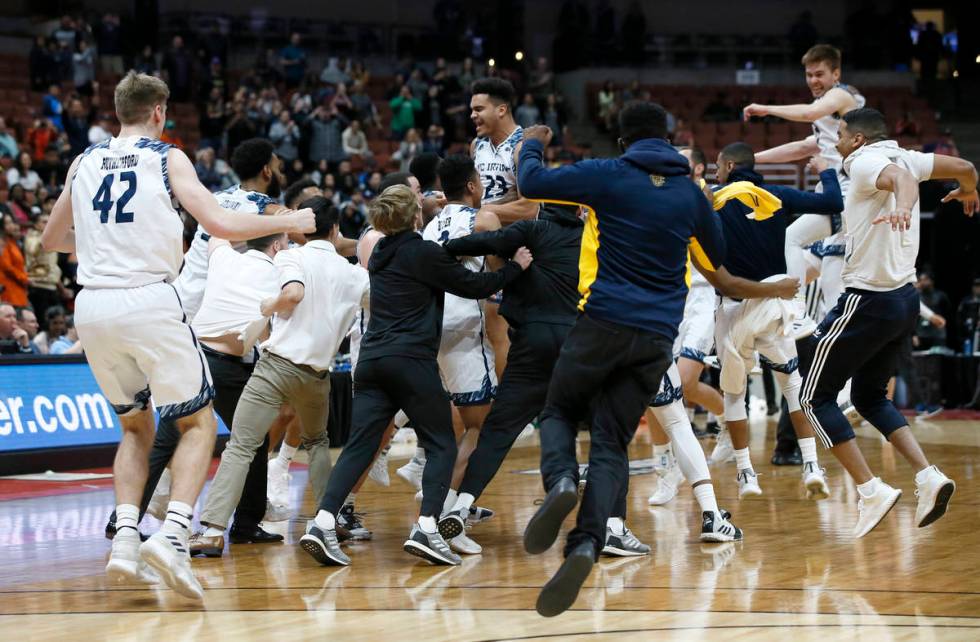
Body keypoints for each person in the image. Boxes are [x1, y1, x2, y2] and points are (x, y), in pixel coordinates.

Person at [40, 71, 314, 599]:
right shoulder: (166, 157)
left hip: (92, 304)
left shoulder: (82, 161)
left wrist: (102, 243)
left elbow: (53, 238)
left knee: (135, 429)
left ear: (119, 111)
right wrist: (295, 216)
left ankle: (125, 541)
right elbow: (222, 223)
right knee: (197, 424)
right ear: (159, 112)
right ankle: (173, 535)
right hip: (147, 297)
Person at [516, 103, 726, 617]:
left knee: (560, 411)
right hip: (657, 337)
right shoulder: (689, 193)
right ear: (667, 136)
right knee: (610, 438)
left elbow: (531, 182)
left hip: (604, 320)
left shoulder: (608, 174)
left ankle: (562, 480)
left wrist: (532, 141)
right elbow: (717, 255)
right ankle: (587, 540)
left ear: (623, 139)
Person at [299, 185, 531, 568]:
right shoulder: (423, 252)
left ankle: (322, 522)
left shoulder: (381, 253)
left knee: (359, 446)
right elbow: (474, 285)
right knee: (441, 442)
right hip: (410, 360)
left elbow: (435, 262)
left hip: (372, 361)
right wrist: (514, 267)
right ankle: (427, 527)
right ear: (416, 217)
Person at [799, 107, 976, 538]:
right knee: (869, 397)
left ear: (857, 139)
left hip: (869, 300)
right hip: (904, 301)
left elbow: (900, 183)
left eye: (840, 134)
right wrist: (969, 191)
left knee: (811, 398)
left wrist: (903, 204)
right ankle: (927, 476)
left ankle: (870, 490)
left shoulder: (861, 163)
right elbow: (967, 167)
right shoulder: (907, 156)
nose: (837, 142)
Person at [192, 197, 364, 553]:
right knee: (317, 444)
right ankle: (326, 522)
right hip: (318, 374)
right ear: (335, 230)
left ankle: (210, 532)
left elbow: (293, 293)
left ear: (300, 230)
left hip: (275, 367)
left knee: (241, 446)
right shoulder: (354, 274)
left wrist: (268, 306)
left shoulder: (289, 257)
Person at [437, 201, 583, 552]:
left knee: (498, 432)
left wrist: (448, 248)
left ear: (545, 207)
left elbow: (481, 242)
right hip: (576, 343)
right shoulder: (588, 238)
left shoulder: (531, 231)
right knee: (577, 425)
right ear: (579, 211)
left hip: (531, 342)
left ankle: (460, 507)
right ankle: (602, 517)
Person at [706, 142, 839, 500]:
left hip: (734, 306)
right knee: (792, 387)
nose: (715, 172)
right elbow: (833, 204)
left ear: (730, 166)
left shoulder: (713, 200)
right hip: (773, 302)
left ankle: (746, 473)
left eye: (717, 166)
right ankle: (812, 464)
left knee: (734, 395)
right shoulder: (775, 194)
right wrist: (826, 170)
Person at [744, 44, 865, 337]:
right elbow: (803, 147)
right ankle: (775, 323)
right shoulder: (831, 117)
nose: (813, 80)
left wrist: (765, 109)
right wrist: (752, 159)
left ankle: (796, 313)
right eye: (809, 75)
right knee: (810, 271)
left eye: (819, 74)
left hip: (848, 192)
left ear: (836, 73)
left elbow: (810, 113)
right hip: (833, 194)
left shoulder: (842, 95)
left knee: (791, 239)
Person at [419, 155, 502, 555]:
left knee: (454, 428)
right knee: (481, 428)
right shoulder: (482, 220)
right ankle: (443, 519)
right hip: (466, 330)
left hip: (431, 331)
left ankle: (437, 510)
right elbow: (500, 269)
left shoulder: (430, 226)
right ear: (471, 186)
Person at [469, 77, 539, 384]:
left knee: (498, 326)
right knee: (477, 327)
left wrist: (484, 210)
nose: (472, 115)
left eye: (478, 109)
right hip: (483, 240)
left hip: (517, 245)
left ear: (501, 110)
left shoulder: (522, 146)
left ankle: (510, 406)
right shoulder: (477, 146)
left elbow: (529, 207)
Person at [174, 138, 288, 322]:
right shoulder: (267, 210)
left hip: (179, 294)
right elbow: (313, 232)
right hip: (205, 310)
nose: (282, 176)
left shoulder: (217, 197)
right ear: (267, 171)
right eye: (279, 169)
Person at [23, 213, 62, 320]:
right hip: (37, 285)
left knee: (57, 320)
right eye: (44, 222)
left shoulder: (51, 238)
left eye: (49, 221)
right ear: (36, 225)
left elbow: (53, 266)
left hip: (51, 285)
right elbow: (32, 248)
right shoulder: (32, 237)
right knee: (43, 321)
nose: (48, 224)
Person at [0, 214, 28, 308]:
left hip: (17, 287)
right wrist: (24, 279)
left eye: (12, 222)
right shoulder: (2, 243)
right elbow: (7, 267)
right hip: (9, 288)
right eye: (8, 223)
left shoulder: (11, 242)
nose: (13, 225)